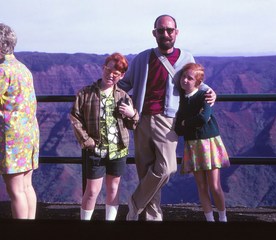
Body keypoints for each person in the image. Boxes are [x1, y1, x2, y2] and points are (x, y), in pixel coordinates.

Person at [117, 14, 216, 221]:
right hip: (141, 118)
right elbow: (125, 85)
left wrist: (211, 92)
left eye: (169, 30)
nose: (165, 34)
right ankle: (153, 218)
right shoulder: (143, 58)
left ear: (176, 33)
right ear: (154, 33)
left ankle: (134, 203)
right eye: (161, 30)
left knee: (166, 168)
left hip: (168, 121)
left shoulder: (186, 58)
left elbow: (196, 81)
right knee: (145, 171)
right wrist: (103, 88)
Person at [69, 53, 139, 221]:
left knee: (113, 188)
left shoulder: (123, 96)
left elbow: (132, 125)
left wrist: (133, 114)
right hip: (95, 150)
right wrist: (87, 141)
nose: (111, 75)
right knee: (92, 191)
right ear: (103, 68)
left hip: (118, 150)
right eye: (108, 69)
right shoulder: (85, 94)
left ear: (121, 76)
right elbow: (75, 118)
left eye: (116, 73)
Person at [174, 63, 230, 222]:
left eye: (190, 78)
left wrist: (186, 123)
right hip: (192, 144)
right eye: (183, 77)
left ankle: (223, 217)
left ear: (198, 82)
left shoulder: (204, 95)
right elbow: (179, 127)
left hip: (208, 143)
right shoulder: (181, 99)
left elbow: (203, 118)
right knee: (201, 186)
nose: (185, 80)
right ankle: (209, 219)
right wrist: (187, 123)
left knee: (214, 185)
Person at [0, 23, 39, 219]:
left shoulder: (2, 70)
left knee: (15, 191)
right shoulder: (23, 69)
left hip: (11, 138)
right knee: (26, 186)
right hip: (28, 134)